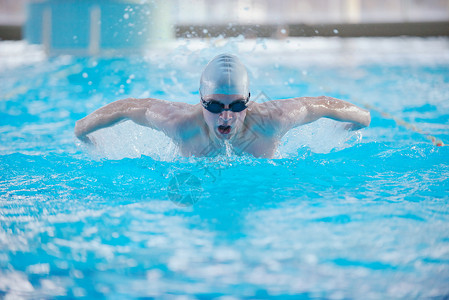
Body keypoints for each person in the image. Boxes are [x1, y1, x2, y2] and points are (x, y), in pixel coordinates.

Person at [75, 53, 370, 158]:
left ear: (250, 100)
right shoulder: (180, 124)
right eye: (215, 106)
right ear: (201, 101)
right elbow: (128, 107)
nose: (226, 115)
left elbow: (319, 104)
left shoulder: (274, 120)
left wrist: (358, 119)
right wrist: (83, 131)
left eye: (237, 105)